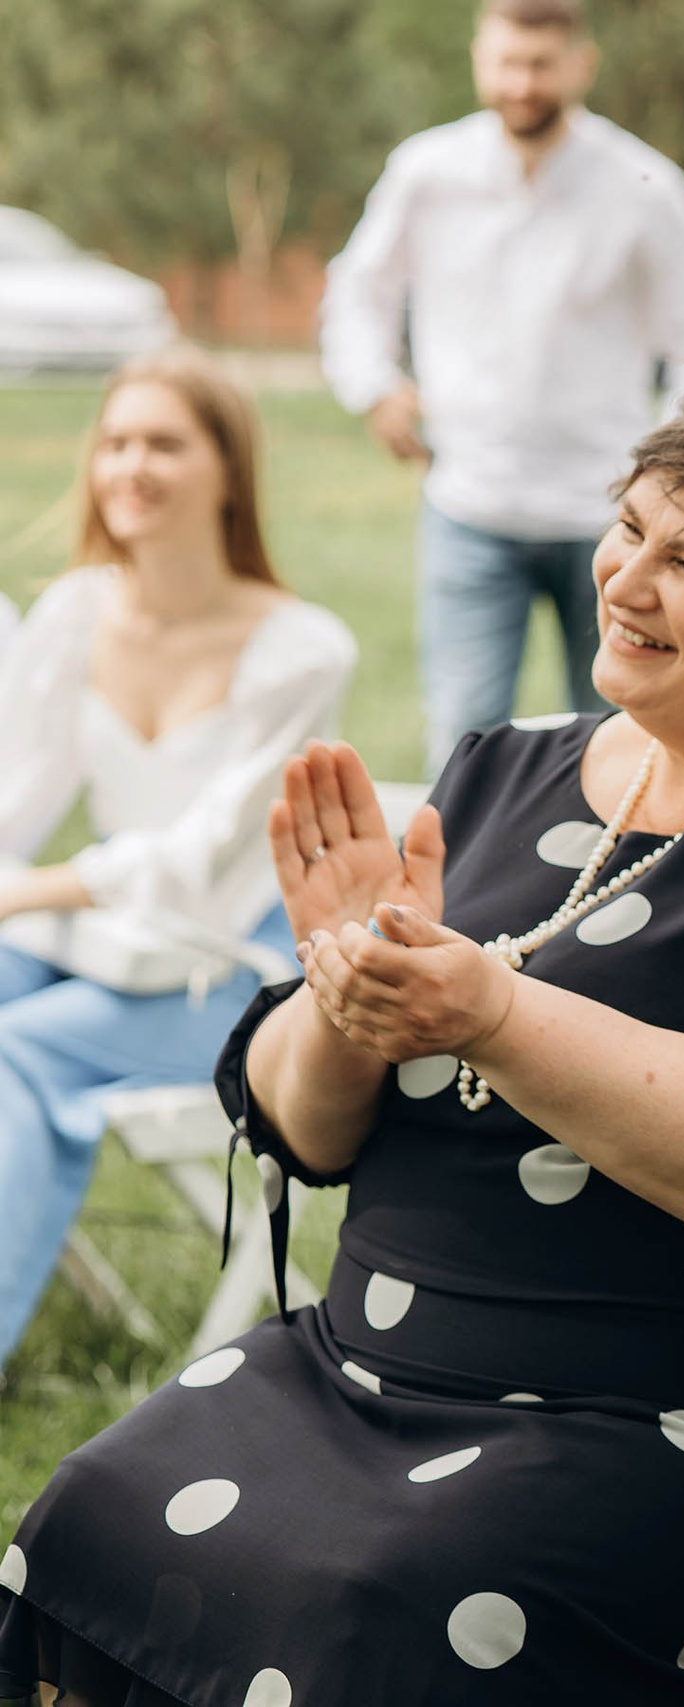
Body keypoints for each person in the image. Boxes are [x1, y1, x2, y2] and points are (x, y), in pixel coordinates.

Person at [0, 370, 684, 1705]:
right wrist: (348, 992)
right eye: (629, 528)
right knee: (93, 1510)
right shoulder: (508, 766)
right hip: (367, 1377)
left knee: (381, 1609)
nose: (629, 575)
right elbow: (305, 1131)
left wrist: (488, 1012)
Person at [0, 348, 355, 1368]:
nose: (130, 467)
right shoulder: (76, 613)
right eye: (114, 442)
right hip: (106, 940)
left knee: (20, 1049)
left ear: (228, 472)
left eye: (164, 443)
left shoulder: (303, 648)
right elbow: (19, 796)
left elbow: (205, 856)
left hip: (230, 971)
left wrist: (34, 890)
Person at [319, 0, 684, 773]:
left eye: (541, 65)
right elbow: (357, 290)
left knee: (625, 737)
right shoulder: (428, 172)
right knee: (464, 737)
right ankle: (458, 894)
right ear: (480, 58)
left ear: (582, 63)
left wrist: (666, 471)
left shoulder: (643, 186)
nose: (522, 83)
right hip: (469, 508)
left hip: (613, 522)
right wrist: (374, 386)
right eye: (507, 63)